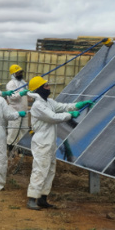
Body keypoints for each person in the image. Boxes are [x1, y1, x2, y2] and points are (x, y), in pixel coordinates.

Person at [26, 76, 93, 210]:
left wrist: (78, 105)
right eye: (45, 86)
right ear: (39, 89)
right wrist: (70, 115)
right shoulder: (38, 105)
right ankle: (32, 199)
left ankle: (43, 198)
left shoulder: (48, 102)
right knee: (40, 170)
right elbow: (53, 117)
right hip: (41, 142)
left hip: (50, 141)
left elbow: (62, 107)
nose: (49, 87)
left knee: (50, 170)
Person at [3, 64, 31, 150]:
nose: (20, 74)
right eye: (18, 73)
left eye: (20, 72)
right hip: (15, 111)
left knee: (24, 130)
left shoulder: (23, 82)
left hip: (24, 110)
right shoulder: (10, 84)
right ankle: (10, 149)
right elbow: (12, 97)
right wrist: (21, 94)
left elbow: (27, 93)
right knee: (13, 131)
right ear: (13, 74)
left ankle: (21, 149)